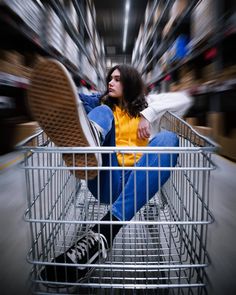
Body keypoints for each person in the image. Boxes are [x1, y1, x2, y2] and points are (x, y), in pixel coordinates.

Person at [27, 59, 192, 286]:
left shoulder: (148, 105)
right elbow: (66, 99)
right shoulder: (100, 104)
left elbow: (184, 99)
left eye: (117, 79)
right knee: (102, 111)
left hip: (139, 180)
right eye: (110, 79)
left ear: (131, 82)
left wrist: (148, 115)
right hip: (106, 176)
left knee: (169, 139)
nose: (111, 83)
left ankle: (104, 232)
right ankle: (92, 142)